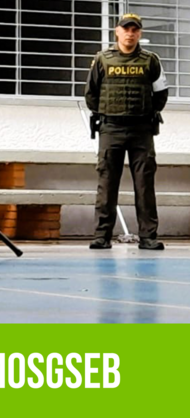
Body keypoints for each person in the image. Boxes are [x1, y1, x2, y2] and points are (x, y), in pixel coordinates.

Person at [85, 13, 167, 250]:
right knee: (107, 184)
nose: (130, 34)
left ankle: (148, 237)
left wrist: (146, 113)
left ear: (139, 33)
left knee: (144, 185)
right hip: (111, 128)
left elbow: (161, 94)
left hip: (142, 130)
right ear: (117, 31)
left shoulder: (151, 61)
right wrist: (106, 115)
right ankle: (101, 236)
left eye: (134, 30)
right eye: (126, 29)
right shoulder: (102, 59)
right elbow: (91, 94)